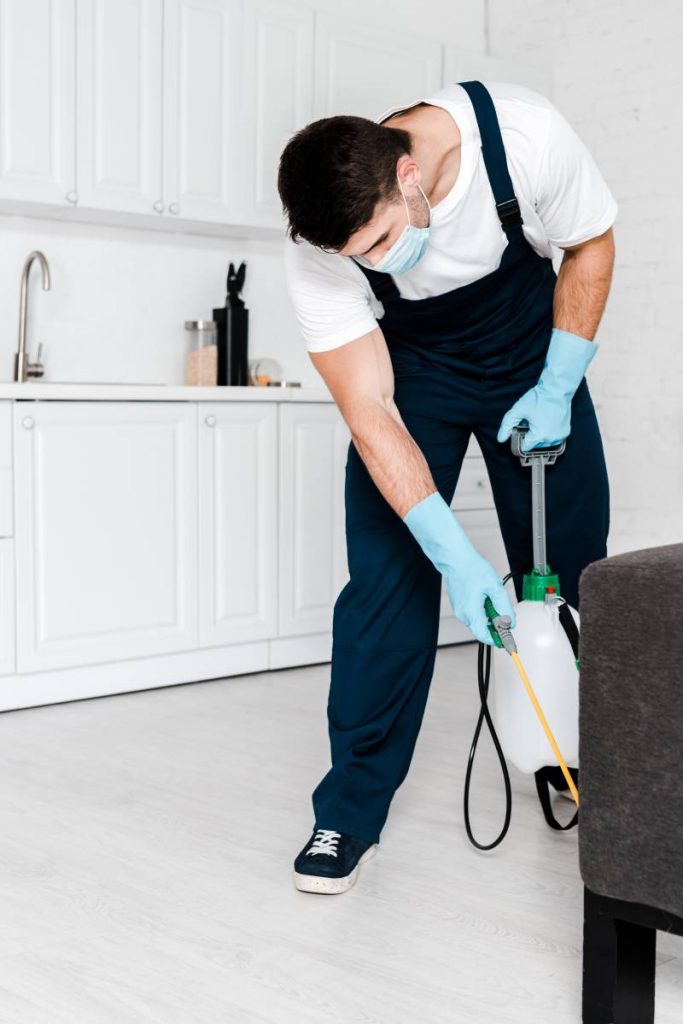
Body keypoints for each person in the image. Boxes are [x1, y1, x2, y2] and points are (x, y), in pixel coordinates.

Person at [278, 80, 616, 895]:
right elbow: (369, 410)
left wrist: (558, 379)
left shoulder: (526, 135)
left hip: (529, 352)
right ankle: (349, 812)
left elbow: (591, 244)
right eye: (356, 255)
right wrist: (454, 558)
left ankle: (571, 765)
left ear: (409, 177)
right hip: (411, 375)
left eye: (382, 240)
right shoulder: (320, 246)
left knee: (574, 575)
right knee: (385, 588)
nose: (371, 260)